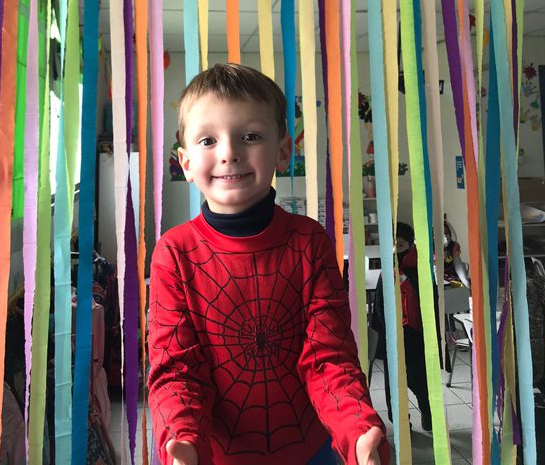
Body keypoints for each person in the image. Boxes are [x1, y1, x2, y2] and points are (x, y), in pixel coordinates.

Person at [148, 64, 390, 465]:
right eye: (208, 140)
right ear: (185, 162)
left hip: (313, 451)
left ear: (282, 151)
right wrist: (183, 440)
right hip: (210, 456)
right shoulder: (173, 254)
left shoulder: (309, 243)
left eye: (250, 136)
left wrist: (358, 429)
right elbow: (176, 370)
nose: (229, 152)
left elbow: (330, 357)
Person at [371, 222, 433, 433]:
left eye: (401, 244)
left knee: (419, 378)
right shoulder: (387, 270)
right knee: (394, 383)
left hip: (415, 333)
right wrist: (388, 332)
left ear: (410, 245)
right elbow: (379, 304)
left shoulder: (421, 268)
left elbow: (430, 300)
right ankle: (401, 423)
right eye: (393, 244)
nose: (396, 249)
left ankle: (427, 411)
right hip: (393, 334)